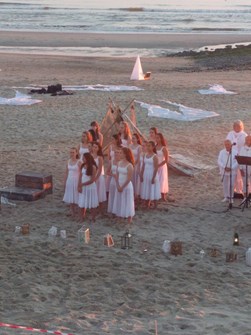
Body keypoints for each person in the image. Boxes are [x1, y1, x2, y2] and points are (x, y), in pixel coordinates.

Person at [112, 147, 135, 223]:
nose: (119, 154)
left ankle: (129, 217)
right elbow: (117, 175)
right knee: (119, 200)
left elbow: (129, 179)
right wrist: (118, 185)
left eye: (121, 153)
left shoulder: (129, 165)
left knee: (127, 201)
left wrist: (122, 187)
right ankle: (119, 216)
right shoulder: (119, 163)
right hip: (119, 184)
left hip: (126, 186)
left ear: (125, 154)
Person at [226, 120, 247, 194]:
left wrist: (240, 154)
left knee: (240, 174)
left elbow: (245, 146)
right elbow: (227, 143)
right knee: (232, 174)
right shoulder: (230, 134)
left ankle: (240, 190)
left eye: (239, 126)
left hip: (240, 156)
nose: (237, 128)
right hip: (231, 156)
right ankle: (232, 190)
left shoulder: (244, 135)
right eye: (235, 126)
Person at [78, 152, 99, 222]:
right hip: (83, 186)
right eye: (82, 158)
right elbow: (80, 176)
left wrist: (83, 184)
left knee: (92, 202)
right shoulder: (82, 166)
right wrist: (79, 185)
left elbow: (92, 180)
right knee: (82, 202)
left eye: (84, 158)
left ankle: (93, 218)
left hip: (90, 187)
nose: (83, 159)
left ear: (88, 158)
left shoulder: (93, 167)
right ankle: (82, 217)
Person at [140, 141, 161, 209]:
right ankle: (147, 204)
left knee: (153, 188)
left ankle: (155, 205)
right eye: (147, 146)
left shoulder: (155, 156)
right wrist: (141, 175)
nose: (148, 147)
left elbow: (156, 168)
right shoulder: (145, 155)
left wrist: (153, 178)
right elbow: (143, 165)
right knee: (147, 188)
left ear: (153, 147)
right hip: (146, 173)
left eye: (149, 146)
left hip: (152, 174)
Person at [63, 147, 81, 218]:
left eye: (73, 152)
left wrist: (80, 183)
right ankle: (72, 212)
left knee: (77, 196)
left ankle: (79, 213)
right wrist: (65, 182)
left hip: (76, 180)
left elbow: (82, 173)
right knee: (70, 196)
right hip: (69, 180)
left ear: (76, 153)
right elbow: (66, 172)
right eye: (70, 152)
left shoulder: (79, 162)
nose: (72, 154)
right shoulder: (68, 161)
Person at [91, 141, 107, 207]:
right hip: (91, 175)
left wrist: (96, 178)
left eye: (96, 147)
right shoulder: (90, 155)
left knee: (99, 192)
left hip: (98, 176)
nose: (94, 148)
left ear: (98, 148)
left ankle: (100, 207)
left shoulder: (100, 157)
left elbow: (100, 169)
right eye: (93, 147)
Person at [156, 133, 169, 201]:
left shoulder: (164, 148)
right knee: (156, 180)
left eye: (158, 138)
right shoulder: (154, 147)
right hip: (155, 166)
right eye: (156, 138)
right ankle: (157, 194)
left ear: (161, 139)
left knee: (162, 180)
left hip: (162, 166)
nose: (157, 139)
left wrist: (160, 165)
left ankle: (163, 195)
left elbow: (166, 160)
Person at [107, 148, 120, 214]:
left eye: (118, 152)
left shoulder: (122, 162)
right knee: (112, 195)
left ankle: (118, 210)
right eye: (115, 152)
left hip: (120, 181)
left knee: (118, 196)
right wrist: (113, 175)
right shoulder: (111, 161)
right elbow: (107, 172)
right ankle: (112, 210)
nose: (116, 154)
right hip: (113, 180)